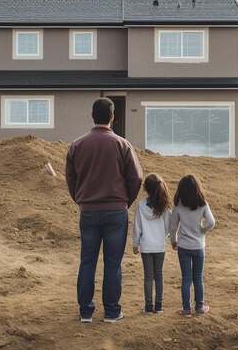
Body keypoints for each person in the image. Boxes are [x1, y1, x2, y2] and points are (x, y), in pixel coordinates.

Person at [66, 98, 143, 324]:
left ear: (92, 116)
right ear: (112, 117)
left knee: (87, 261)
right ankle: (111, 311)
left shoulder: (77, 144)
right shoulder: (122, 144)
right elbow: (136, 177)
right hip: (116, 211)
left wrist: (80, 199)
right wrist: (125, 201)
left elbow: (70, 177)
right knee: (113, 263)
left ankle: (85, 312)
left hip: (88, 210)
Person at [170, 174, 215, 317]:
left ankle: (186, 309)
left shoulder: (178, 207)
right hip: (198, 246)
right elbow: (212, 222)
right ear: (197, 188)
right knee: (198, 277)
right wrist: (202, 231)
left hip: (183, 247)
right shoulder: (203, 204)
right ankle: (200, 306)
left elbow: (173, 228)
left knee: (186, 279)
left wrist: (173, 241)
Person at [132, 173, 172, 314]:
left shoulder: (140, 206)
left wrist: (135, 243)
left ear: (146, 189)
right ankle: (159, 306)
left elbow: (137, 227)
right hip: (159, 245)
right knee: (159, 275)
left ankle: (148, 306)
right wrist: (164, 236)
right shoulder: (165, 206)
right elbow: (169, 226)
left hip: (145, 246)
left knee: (148, 277)